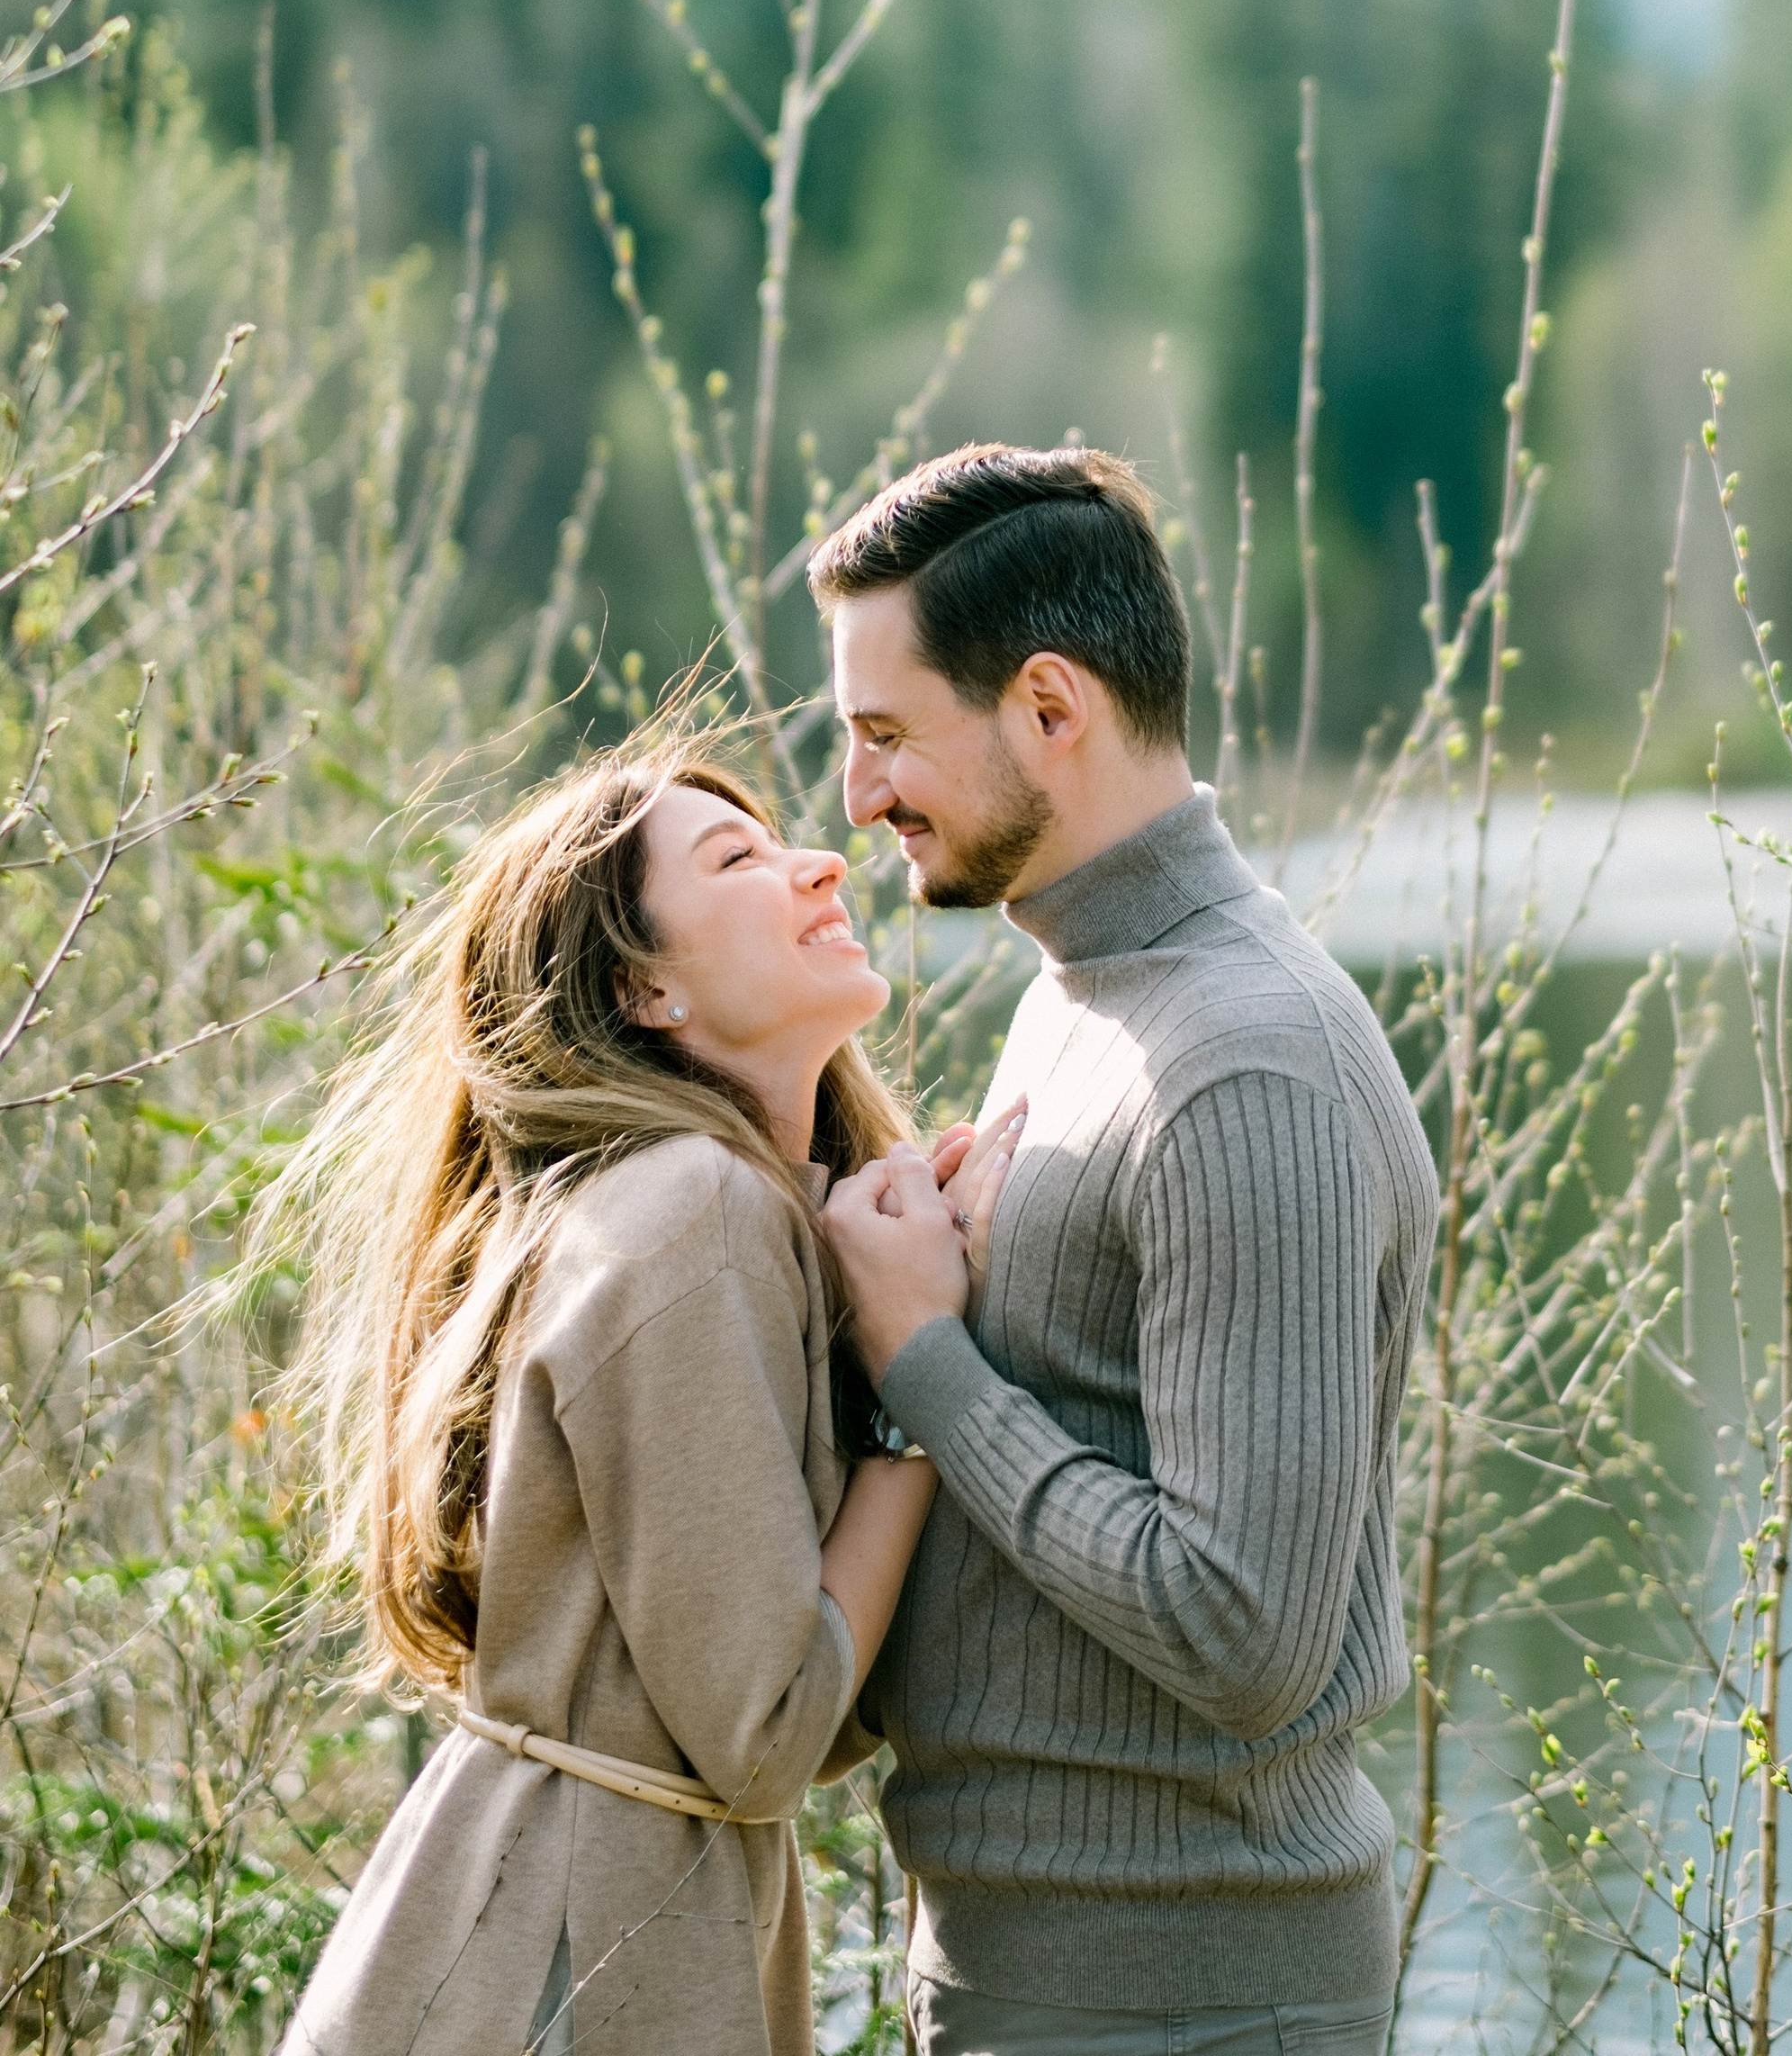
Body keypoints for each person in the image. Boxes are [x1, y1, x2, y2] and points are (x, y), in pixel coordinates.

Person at [812, 444, 1441, 2056]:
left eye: (886, 736)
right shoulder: (1083, 991)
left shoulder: (1244, 1062)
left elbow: (1242, 1635)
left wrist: (926, 1362)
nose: (859, 795)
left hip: (1186, 2000)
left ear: (1047, 706)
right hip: (1040, 1969)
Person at [271, 735, 1018, 2056]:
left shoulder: (734, 1215)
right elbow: (769, 1736)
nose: (825, 862)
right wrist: (917, 1381)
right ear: (643, 990)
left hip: (573, 1912)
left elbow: (806, 1702)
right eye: (741, 860)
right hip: (562, 1957)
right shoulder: (693, 1215)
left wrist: (886, 1301)